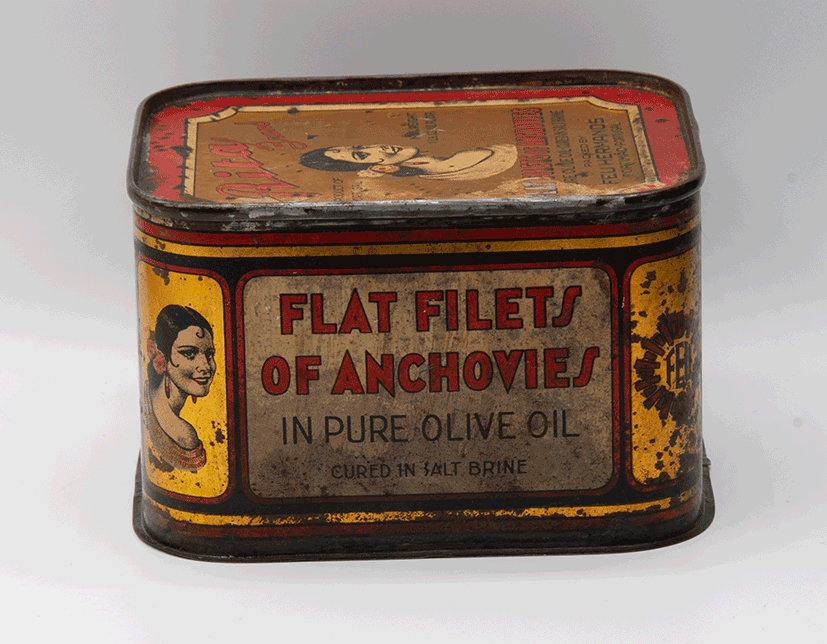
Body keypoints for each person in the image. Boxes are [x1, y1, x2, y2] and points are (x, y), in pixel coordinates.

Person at [142, 305, 216, 472]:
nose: (206, 366)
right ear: (162, 358)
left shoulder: (150, 396)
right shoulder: (185, 436)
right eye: (189, 354)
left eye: (209, 354)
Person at [299, 143, 517, 181]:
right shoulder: (475, 162)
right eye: (362, 156)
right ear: (381, 167)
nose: (374, 147)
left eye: (359, 146)